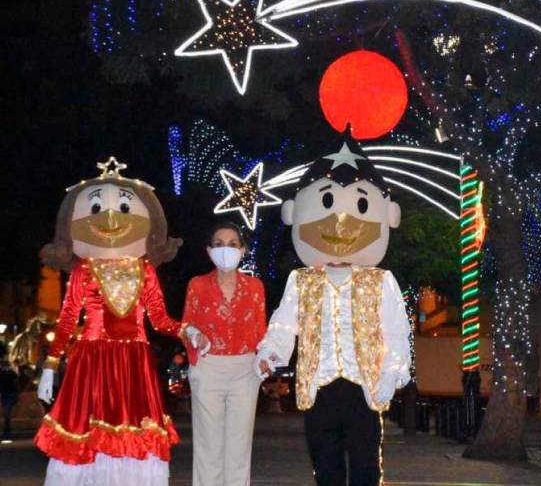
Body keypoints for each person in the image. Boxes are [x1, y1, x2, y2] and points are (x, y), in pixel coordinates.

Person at [34, 158, 208, 486]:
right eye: (98, 209)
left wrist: (186, 329)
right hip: (91, 361)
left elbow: (158, 318)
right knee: (86, 432)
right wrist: (51, 365)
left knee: (133, 433)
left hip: (133, 364)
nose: (111, 218)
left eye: (125, 209)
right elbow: (68, 318)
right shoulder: (84, 270)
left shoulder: (146, 271)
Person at [255, 136, 411, 486]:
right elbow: (284, 324)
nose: (340, 222)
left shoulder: (381, 280)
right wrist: (270, 352)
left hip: (365, 389)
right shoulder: (302, 280)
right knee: (324, 467)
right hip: (318, 387)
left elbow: (396, 331)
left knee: (366, 467)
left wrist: (392, 372)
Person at [183, 221, 267, 486]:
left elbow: (260, 330)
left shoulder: (255, 287)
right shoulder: (197, 285)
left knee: (239, 446)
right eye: (219, 244)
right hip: (208, 367)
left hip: (244, 369)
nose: (225, 249)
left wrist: (266, 357)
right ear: (209, 251)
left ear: (242, 251)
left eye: (232, 244)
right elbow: (186, 325)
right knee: (208, 446)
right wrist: (196, 335)